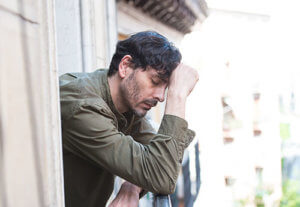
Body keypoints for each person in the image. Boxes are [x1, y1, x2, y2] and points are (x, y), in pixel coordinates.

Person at [59, 31, 199, 207]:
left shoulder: (126, 103)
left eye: (167, 88)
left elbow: (164, 159)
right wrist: (178, 96)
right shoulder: (84, 107)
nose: (161, 97)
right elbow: (161, 174)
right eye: (155, 81)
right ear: (125, 66)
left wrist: (132, 186)